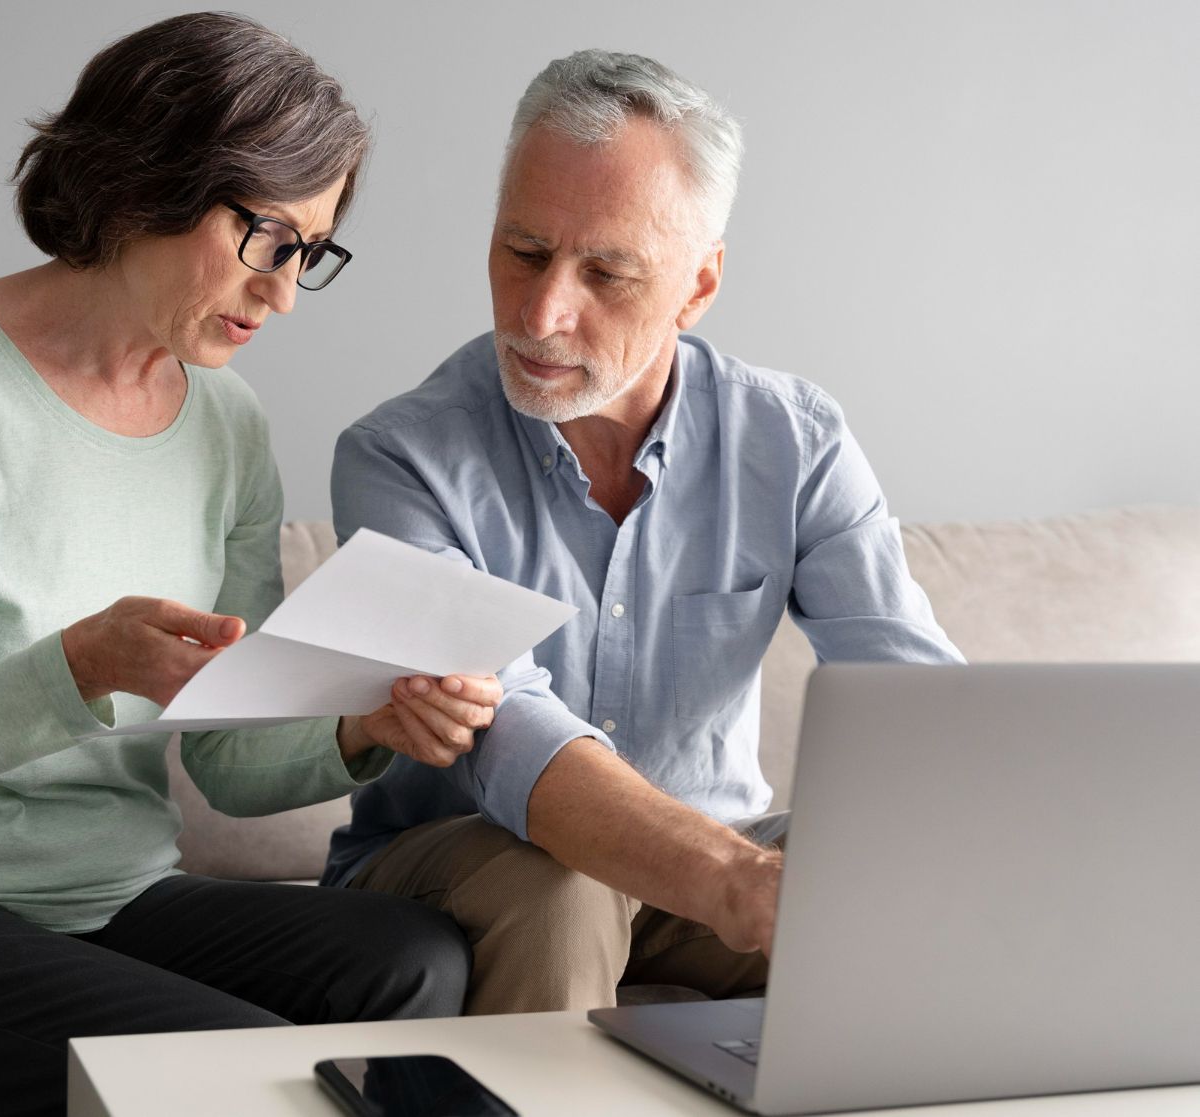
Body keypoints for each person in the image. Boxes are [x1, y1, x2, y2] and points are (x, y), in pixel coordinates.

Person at [0, 14, 499, 1116]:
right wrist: (75, 667)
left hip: (110, 896)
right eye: (268, 238)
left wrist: (362, 726)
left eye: (310, 254)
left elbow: (231, 764)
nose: (283, 292)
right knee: (238, 1069)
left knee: (415, 957)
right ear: (148, 179)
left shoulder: (227, 427)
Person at [322, 49, 964, 1014]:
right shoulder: (398, 458)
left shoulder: (793, 439)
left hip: (711, 858)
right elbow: (504, 731)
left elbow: (913, 696)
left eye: (607, 272)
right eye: (523, 251)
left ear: (697, 286)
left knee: (925, 870)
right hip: (470, 863)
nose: (542, 313)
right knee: (561, 887)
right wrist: (733, 881)